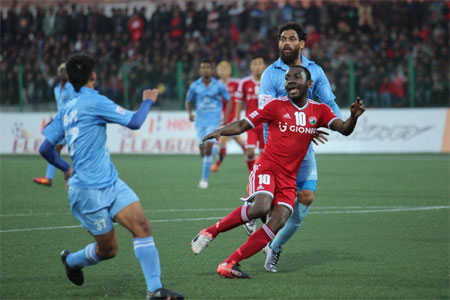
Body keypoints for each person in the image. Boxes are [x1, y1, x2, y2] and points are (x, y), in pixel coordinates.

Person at [190, 65, 365, 279]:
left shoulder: (319, 111)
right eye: (287, 78)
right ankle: (210, 232)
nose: (290, 80)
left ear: (309, 84)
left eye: (296, 77)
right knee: (262, 205)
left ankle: (229, 263)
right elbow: (243, 124)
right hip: (267, 167)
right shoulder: (275, 106)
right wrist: (220, 131)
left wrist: (353, 117)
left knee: (278, 220)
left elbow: (344, 128)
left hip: (289, 178)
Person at [38, 54, 183, 300]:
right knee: (109, 250)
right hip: (86, 192)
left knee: (142, 226)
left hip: (111, 182)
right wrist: (147, 101)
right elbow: (135, 122)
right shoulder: (94, 101)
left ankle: (155, 290)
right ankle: (72, 261)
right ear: (93, 76)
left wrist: (65, 168)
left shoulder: (68, 107)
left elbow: (45, 148)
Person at [256, 22, 344, 272]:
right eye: (282, 38)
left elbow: (328, 104)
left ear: (302, 44)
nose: (285, 43)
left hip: (303, 148)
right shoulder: (270, 73)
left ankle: (275, 247)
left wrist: (335, 123)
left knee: (306, 197)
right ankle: (252, 213)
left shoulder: (315, 71)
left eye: (291, 39)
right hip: (276, 148)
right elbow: (265, 114)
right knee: (269, 205)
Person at [185, 59, 231, 189]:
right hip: (200, 122)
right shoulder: (194, 86)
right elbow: (188, 100)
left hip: (214, 121)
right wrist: (189, 113)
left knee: (208, 146)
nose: (205, 69)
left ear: (211, 70)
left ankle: (204, 179)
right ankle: (216, 149)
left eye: (208, 67)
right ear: (200, 70)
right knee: (203, 151)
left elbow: (229, 100)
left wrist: (226, 117)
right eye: (203, 67)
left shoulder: (218, 86)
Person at [33, 63, 75, 187]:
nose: (63, 73)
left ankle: (61, 174)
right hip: (61, 123)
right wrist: (54, 119)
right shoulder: (57, 89)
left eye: (65, 71)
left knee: (56, 149)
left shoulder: (72, 88)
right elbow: (61, 107)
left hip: (71, 123)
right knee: (55, 149)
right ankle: (54, 176)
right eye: (61, 70)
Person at [210, 60, 245, 172]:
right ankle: (252, 159)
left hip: (234, 117)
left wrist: (237, 116)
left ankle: (217, 165)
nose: (223, 71)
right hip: (224, 118)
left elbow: (241, 95)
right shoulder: (217, 85)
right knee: (239, 142)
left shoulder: (236, 83)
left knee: (223, 141)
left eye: (225, 69)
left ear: (229, 71)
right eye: (221, 69)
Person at [234, 55, 267, 173]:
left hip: (265, 125)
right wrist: (236, 119)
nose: (257, 67)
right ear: (251, 67)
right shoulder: (244, 83)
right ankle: (252, 175)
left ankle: (263, 177)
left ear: (264, 66)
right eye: (254, 64)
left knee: (265, 154)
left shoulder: (268, 82)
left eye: (259, 64)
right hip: (251, 124)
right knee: (249, 152)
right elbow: (238, 101)